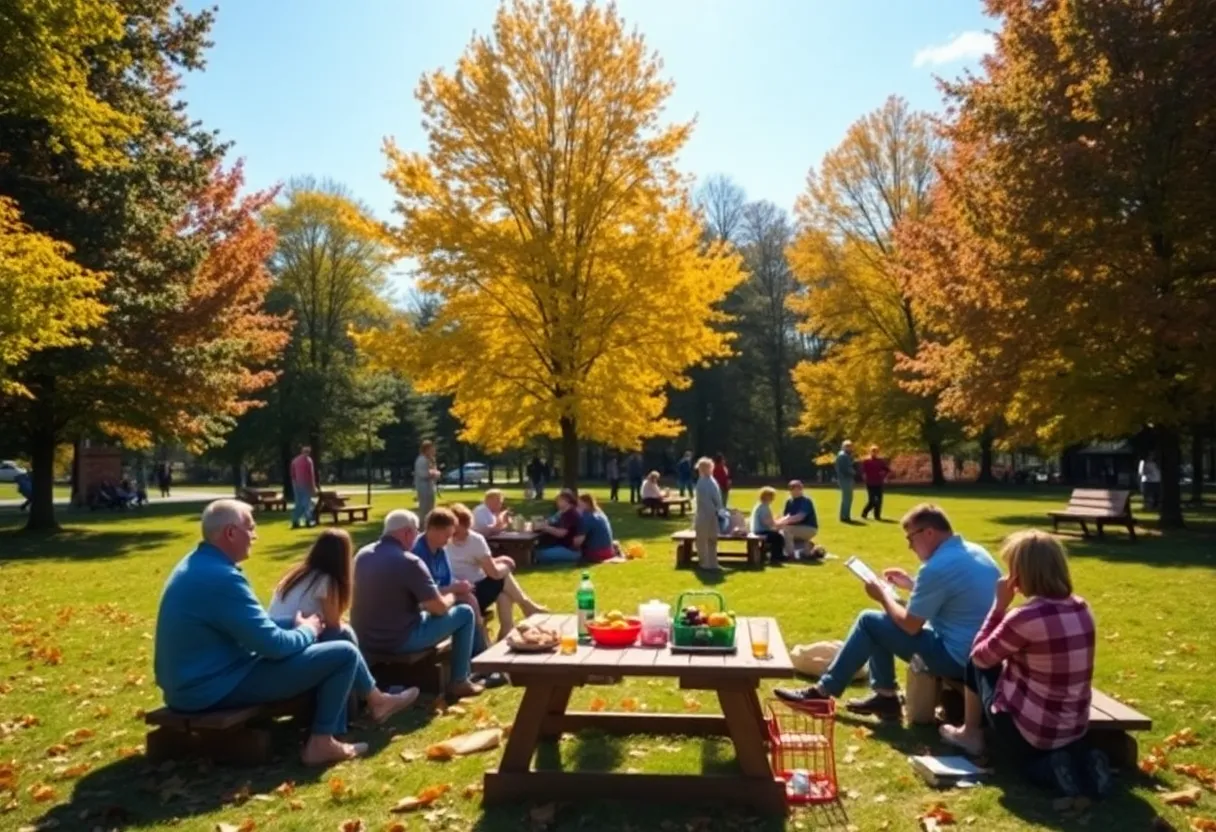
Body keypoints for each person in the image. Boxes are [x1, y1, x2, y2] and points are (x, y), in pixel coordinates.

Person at [154, 500, 418, 766]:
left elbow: (253, 629)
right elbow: (274, 646)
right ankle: (321, 742)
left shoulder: (197, 565)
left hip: (195, 682)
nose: (255, 536)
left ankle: (375, 702)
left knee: (331, 633)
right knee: (344, 653)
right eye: (250, 528)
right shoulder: (221, 578)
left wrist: (294, 624)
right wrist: (307, 629)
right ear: (230, 533)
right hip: (212, 688)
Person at [775, 503, 1000, 718]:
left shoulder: (936, 567)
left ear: (929, 533)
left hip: (957, 658)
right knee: (882, 623)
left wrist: (882, 596)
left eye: (911, 538)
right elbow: (955, 595)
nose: (909, 546)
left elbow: (911, 626)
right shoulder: (975, 551)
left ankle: (823, 694)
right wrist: (911, 584)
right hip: (985, 652)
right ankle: (884, 696)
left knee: (869, 621)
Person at [941, 531, 1109, 798]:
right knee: (1062, 743)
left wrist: (998, 607)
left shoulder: (1024, 617)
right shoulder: (1081, 607)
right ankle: (1088, 761)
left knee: (978, 663)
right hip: (1074, 725)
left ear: (1021, 574)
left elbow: (979, 655)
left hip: (1034, 731)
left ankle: (973, 735)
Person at [351, 510, 485, 699]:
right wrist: (454, 594)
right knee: (464, 612)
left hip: (364, 638)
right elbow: (438, 608)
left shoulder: (362, 555)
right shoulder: (409, 561)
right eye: (415, 532)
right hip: (399, 640)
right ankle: (459, 680)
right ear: (407, 533)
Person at [446, 504, 547, 636]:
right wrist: (507, 566)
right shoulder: (451, 540)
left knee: (502, 591)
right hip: (466, 593)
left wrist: (499, 561)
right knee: (501, 579)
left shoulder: (470, 539)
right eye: (457, 531)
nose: (461, 535)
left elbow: (472, 561)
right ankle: (525, 606)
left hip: (467, 590)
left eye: (465, 530)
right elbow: (494, 573)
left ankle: (507, 628)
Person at [269, 529, 358, 642]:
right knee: (346, 634)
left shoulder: (297, 574)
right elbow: (333, 625)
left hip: (277, 632)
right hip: (295, 633)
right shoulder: (326, 581)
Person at [533, 489, 584, 563]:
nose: (557, 502)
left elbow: (561, 533)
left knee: (535, 554)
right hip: (562, 547)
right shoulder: (564, 512)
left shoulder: (570, 514)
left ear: (566, 501)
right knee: (535, 550)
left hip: (570, 550)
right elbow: (553, 522)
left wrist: (545, 528)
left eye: (559, 500)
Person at [693, 456, 723, 572]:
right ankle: (710, 562)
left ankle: (707, 563)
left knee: (705, 538)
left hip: (706, 513)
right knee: (709, 539)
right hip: (710, 512)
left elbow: (713, 498)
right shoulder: (709, 481)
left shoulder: (705, 481)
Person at [778, 480, 819, 559]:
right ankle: (807, 547)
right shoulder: (789, 501)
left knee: (786, 530)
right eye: (793, 489)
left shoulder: (806, 501)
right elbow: (786, 516)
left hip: (809, 528)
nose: (796, 491)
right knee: (780, 532)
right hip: (796, 528)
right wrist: (777, 523)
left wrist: (780, 523)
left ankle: (790, 555)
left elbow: (799, 517)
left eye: (799, 488)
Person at [750, 487, 786, 564]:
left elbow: (768, 520)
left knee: (777, 536)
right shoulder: (763, 507)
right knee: (778, 537)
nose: (773, 499)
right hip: (760, 531)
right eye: (772, 496)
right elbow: (765, 522)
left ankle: (774, 555)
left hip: (760, 530)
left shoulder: (762, 506)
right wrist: (777, 525)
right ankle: (776, 557)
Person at [578, 493, 616, 563]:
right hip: (609, 551)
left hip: (596, 553)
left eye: (579, 505)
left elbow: (578, 542)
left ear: (586, 504)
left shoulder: (587, 517)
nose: (578, 507)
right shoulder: (600, 513)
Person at [860, 445, 891, 521]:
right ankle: (864, 512)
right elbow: (862, 471)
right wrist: (864, 477)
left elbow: (887, 470)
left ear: (878, 452)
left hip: (879, 483)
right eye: (873, 451)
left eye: (876, 451)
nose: (874, 453)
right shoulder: (866, 461)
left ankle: (877, 516)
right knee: (872, 500)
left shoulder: (880, 461)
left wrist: (883, 475)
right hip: (870, 483)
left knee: (879, 500)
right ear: (870, 452)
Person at [290, 445, 318, 530]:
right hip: (305, 483)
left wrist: (295, 483)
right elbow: (311, 475)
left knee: (298, 503)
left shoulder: (295, 460)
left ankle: (295, 521)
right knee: (306, 503)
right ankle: (308, 520)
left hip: (296, 484)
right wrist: (313, 487)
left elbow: (292, 474)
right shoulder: (308, 461)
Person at [413, 440, 440, 518]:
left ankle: (429, 525)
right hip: (423, 489)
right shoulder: (421, 460)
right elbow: (422, 474)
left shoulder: (430, 460)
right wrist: (434, 474)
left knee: (431, 509)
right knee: (424, 509)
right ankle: (422, 526)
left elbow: (432, 470)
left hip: (430, 488)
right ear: (427, 449)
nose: (434, 451)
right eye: (432, 449)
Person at [835, 441, 856, 522]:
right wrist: (853, 472)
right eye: (847, 446)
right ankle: (844, 516)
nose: (850, 448)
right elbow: (845, 469)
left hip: (845, 479)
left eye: (850, 446)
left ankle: (845, 515)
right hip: (845, 479)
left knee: (847, 498)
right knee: (847, 498)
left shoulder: (845, 455)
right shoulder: (843, 456)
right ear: (843, 447)